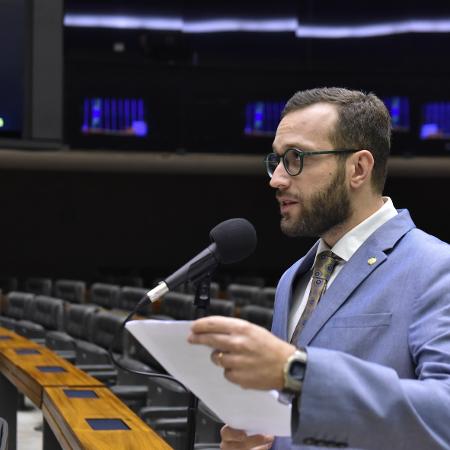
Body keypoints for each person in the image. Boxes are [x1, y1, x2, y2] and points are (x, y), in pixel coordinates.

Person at [188, 87, 450, 450]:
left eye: (296, 158)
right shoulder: (293, 277)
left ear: (358, 168)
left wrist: (296, 371)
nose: (276, 179)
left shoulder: (437, 268)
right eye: (277, 159)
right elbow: (294, 418)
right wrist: (268, 441)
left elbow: (444, 416)